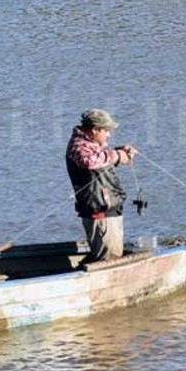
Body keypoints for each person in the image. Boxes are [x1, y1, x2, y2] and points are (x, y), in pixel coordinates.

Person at [65, 109, 140, 262]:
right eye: (106, 130)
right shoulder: (78, 146)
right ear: (94, 130)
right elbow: (89, 162)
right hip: (99, 215)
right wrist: (117, 155)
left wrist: (120, 151)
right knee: (109, 260)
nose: (109, 135)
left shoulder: (91, 144)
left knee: (113, 254)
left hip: (109, 212)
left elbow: (101, 158)